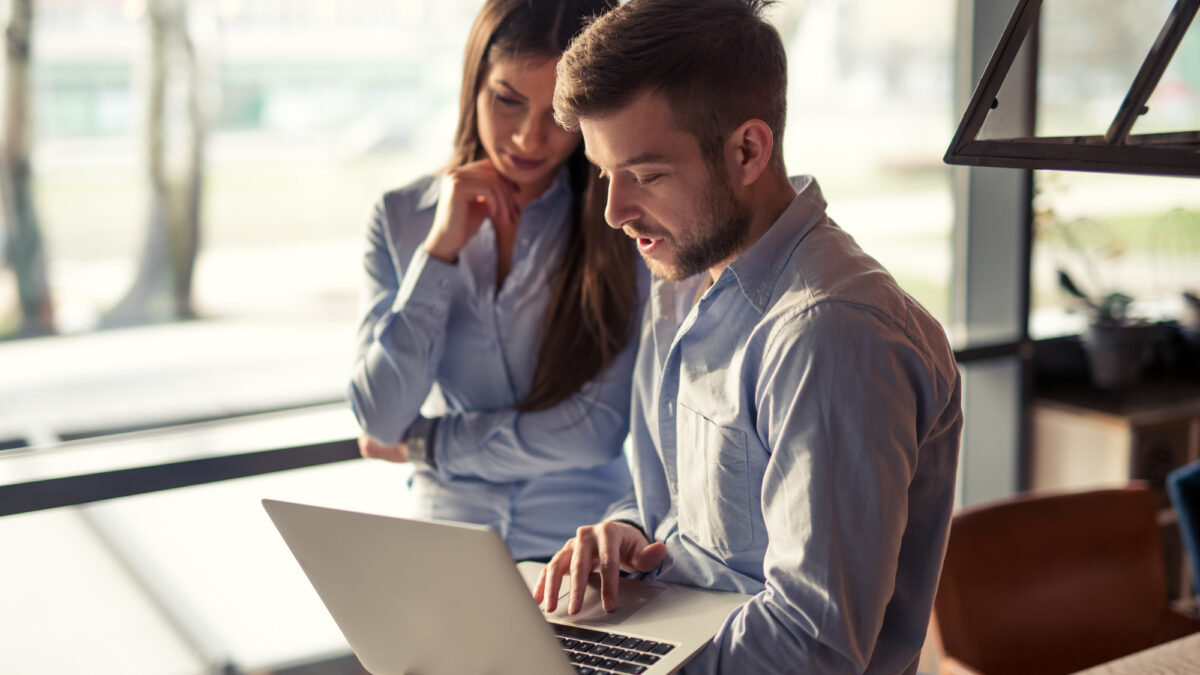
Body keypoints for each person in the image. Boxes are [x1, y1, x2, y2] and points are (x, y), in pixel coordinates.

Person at [533, 0, 964, 671]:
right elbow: (679, 509)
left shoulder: (831, 335)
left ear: (748, 150)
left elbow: (810, 643)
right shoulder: (679, 277)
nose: (615, 212)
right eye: (603, 174)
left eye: (644, 175)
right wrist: (629, 530)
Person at [348, 0, 643, 562]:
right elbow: (379, 416)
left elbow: (595, 431)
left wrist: (426, 443)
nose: (530, 139)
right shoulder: (399, 217)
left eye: (558, 115)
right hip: (447, 554)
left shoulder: (621, 221)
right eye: (507, 101)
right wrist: (438, 255)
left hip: (582, 556)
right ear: (474, 83)